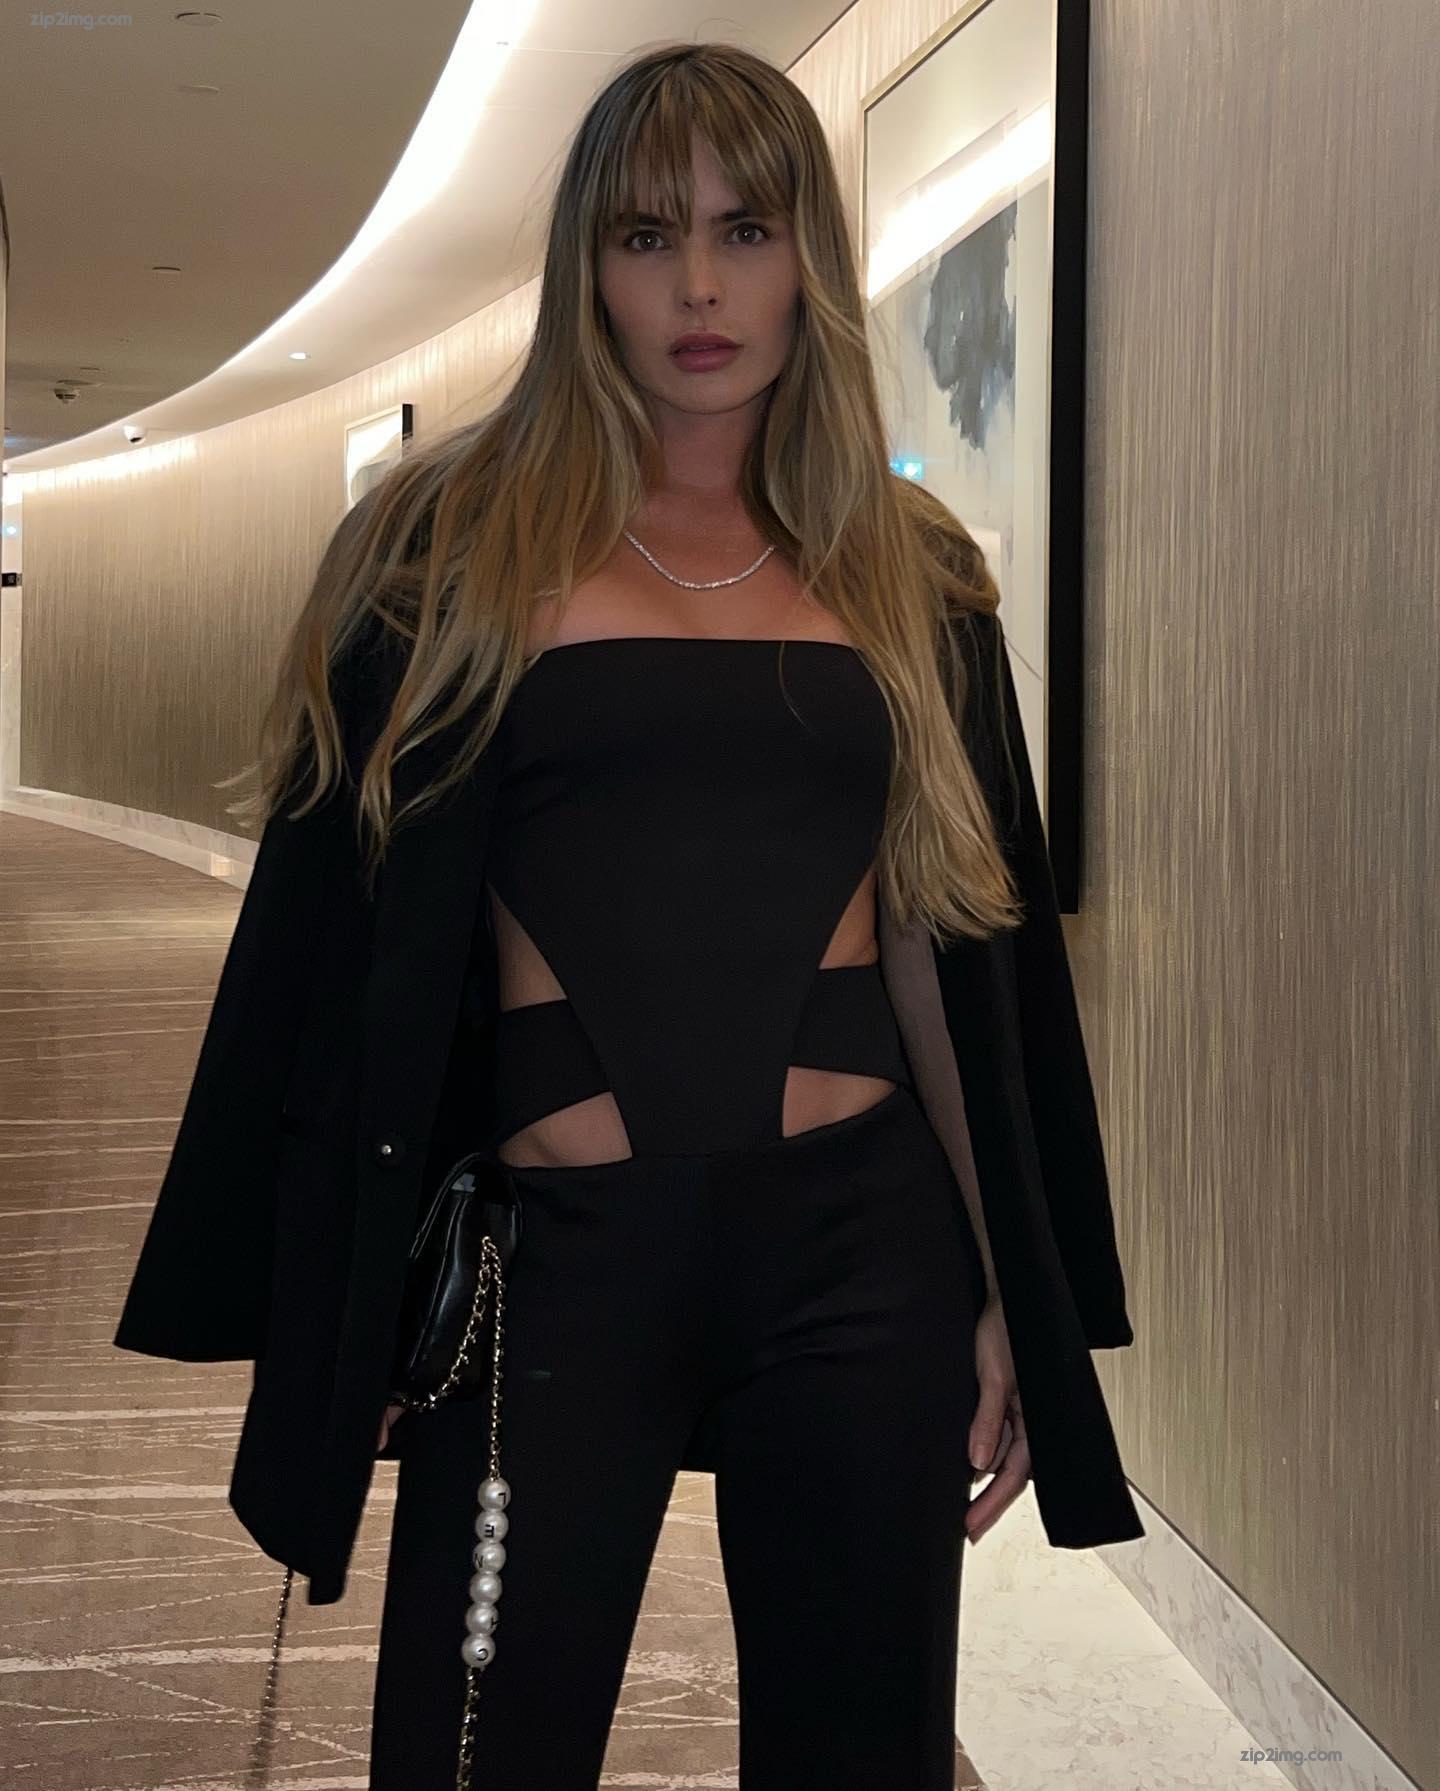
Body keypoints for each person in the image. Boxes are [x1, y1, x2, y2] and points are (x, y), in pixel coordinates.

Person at [113, 38, 1141, 1791]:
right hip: (553, 1274)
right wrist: (337, 1298)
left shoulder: (909, 575)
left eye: (746, 232)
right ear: (586, 263)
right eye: (649, 236)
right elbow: (327, 955)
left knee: (861, 1757)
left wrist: (1007, 1294)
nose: (699, 289)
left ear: (807, 257)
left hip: (861, 1264)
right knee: (472, 1752)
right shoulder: (446, 555)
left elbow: (946, 948)